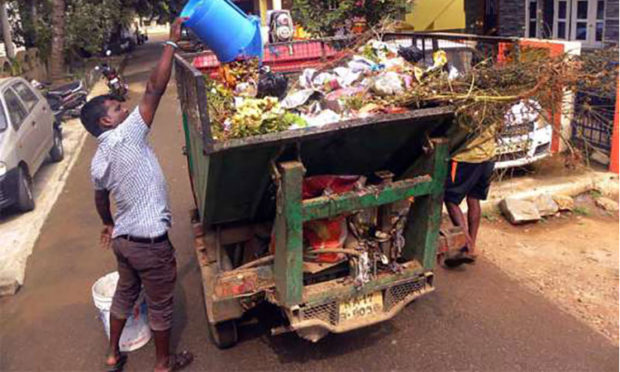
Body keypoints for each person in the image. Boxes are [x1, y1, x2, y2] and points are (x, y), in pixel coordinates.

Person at [80, 18, 193, 372]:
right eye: (116, 108)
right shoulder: (126, 135)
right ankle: (163, 363)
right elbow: (153, 91)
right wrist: (171, 44)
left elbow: (100, 197)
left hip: (125, 241)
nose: (123, 108)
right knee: (161, 304)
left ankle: (113, 355)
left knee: (125, 294)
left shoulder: (97, 159)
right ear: (106, 123)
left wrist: (108, 224)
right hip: (149, 243)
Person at [443, 122, 497, 267]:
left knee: (450, 198)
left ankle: (466, 244)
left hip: (465, 158)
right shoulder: (495, 104)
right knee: (474, 199)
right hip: (488, 156)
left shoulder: (466, 109)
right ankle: (471, 247)